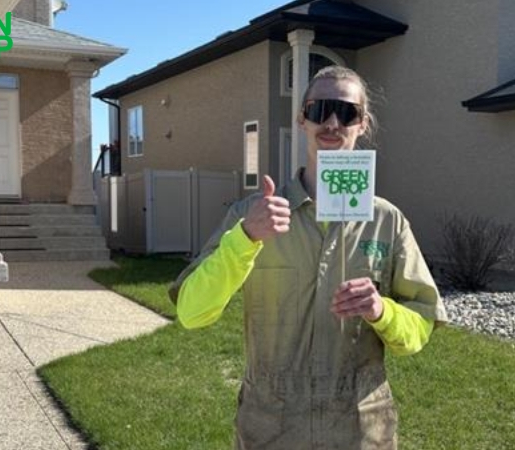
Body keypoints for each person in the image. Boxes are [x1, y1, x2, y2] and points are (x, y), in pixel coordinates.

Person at [168, 66, 448, 450]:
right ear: (302, 119)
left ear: (362, 123)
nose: (332, 122)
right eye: (320, 110)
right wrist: (246, 239)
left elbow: (420, 329)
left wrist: (381, 311)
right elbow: (191, 312)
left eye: (346, 112)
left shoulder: (387, 221)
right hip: (271, 427)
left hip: (361, 429)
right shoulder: (251, 215)